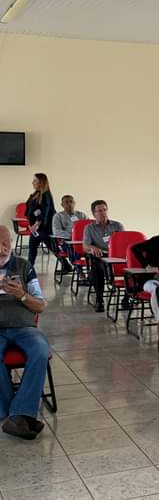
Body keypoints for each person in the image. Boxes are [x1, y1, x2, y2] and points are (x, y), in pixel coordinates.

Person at [0, 225, 50, 440]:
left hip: (24, 327)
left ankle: (18, 413)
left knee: (40, 350)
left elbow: (41, 305)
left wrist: (21, 294)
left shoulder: (23, 266)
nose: (2, 249)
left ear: (11, 243)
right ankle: (12, 413)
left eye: (5, 243)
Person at [83, 200, 125, 313]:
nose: (103, 213)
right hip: (101, 256)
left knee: (132, 268)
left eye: (105, 210)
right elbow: (85, 246)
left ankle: (127, 298)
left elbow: (124, 242)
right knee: (97, 270)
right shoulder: (89, 228)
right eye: (99, 211)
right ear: (94, 214)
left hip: (117, 256)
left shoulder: (117, 225)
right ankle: (99, 299)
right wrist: (93, 248)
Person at [24, 173, 56, 267]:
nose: (32, 182)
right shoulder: (35, 194)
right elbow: (30, 209)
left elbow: (45, 211)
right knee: (32, 247)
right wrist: (31, 223)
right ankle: (29, 267)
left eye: (35, 181)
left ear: (41, 182)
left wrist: (37, 224)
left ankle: (66, 265)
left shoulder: (46, 195)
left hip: (43, 228)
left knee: (52, 247)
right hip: (35, 227)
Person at [51, 195, 87, 271]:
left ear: (74, 203)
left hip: (82, 241)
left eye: (71, 202)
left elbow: (89, 228)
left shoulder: (81, 215)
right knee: (74, 250)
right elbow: (56, 231)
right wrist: (72, 236)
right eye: (66, 202)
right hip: (66, 241)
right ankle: (79, 271)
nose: (69, 204)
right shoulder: (58, 216)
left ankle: (94, 272)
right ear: (62, 205)